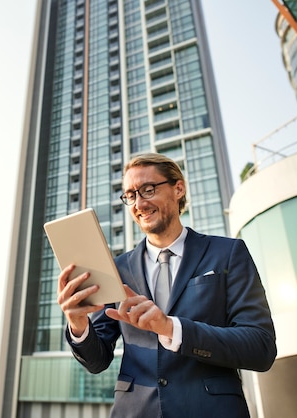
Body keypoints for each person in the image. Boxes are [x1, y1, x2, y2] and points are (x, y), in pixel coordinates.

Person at [57, 153, 276, 418]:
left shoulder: (227, 253)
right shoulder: (117, 268)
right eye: (130, 195)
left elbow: (260, 346)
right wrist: (78, 325)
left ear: (178, 188)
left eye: (148, 190)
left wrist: (172, 328)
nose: (139, 203)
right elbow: (97, 361)